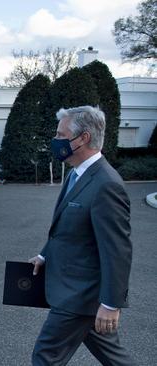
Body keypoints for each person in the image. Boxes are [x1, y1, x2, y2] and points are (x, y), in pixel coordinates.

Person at [29, 106, 135, 365]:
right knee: (115, 358)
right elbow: (68, 228)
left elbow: (117, 250)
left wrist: (110, 304)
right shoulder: (76, 173)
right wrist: (45, 254)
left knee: (45, 356)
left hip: (79, 295)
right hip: (76, 292)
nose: (55, 141)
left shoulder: (106, 184)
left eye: (61, 134)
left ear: (83, 138)